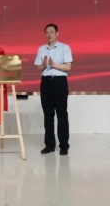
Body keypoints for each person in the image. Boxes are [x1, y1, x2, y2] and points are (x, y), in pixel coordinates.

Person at [34, 23, 73, 155]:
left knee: (61, 114)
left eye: (51, 32)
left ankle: (64, 146)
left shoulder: (65, 47)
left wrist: (53, 64)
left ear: (57, 33)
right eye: (47, 32)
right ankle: (49, 145)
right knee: (48, 114)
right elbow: (38, 68)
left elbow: (68, 67)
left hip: (59, 82)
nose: (49, 34)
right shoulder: (41, 49)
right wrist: (44, 64)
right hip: (46, 82)